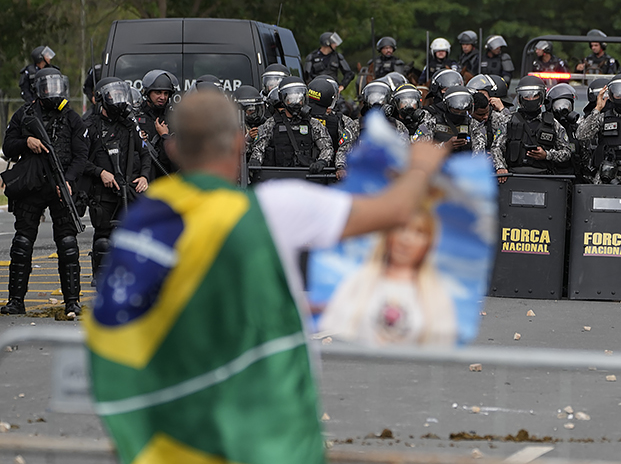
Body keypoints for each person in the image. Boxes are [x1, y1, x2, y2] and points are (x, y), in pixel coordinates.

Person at [84, 89, 450, 464]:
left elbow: (178, 305)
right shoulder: (274, 208)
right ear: (241, 141)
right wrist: (420, 164)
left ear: (175, 149)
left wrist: (286, 303)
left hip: (173, 440)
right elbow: (395, 208)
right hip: (257, 439)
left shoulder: (145, 221)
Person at [1, 68, 89, 315]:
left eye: (56, 86)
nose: (52, 91)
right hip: (31, 186)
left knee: (68, 244)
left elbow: (82, 155)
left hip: (61, 186)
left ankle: (72, 300)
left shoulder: (72, 118)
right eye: (47, 87)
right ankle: (16, 301)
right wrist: (25, 142)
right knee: (22, 242)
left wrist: (69, 180)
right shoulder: (24, 114)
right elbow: (8, 147)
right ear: (39, 89)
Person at [318, 206, 455, 346]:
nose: (406, 239)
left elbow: (441, 348)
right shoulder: (360, 280)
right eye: (401, 228)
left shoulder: (436, 295)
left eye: (418, 232)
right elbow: (332, 334)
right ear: (388, 235)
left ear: (428, 243)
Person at [83, 78, 150, 284]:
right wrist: (100, 172)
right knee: (104, 237)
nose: (118, 100)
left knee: (133, 234)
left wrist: (145, 176)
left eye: (121, 94)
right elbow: (79, 160)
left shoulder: (130, 125)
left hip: (129, 188)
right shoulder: (90, 126)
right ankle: (101, 276)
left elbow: (145, 153)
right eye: (113, 95)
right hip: (103, 191)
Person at [248, 76, 333, 180]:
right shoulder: (271, 124)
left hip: (305, 178)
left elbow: (327, 147)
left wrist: (322, 161)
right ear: (283, 98)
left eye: (299, 98)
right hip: (279, 179)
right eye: (291, 99)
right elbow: (259, 147)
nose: (296, 102)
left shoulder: (313, 124)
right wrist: (256, 160)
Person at [492, 75, 573, 182]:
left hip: (544, 179)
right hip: (514, 178)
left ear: (542, 96)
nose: (530, 99)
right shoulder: (508, 121)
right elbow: (496, 147)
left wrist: (546, 155)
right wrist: (500, 167)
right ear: (520, 97)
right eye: (526, 96)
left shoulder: (553, 124)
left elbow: (566, 152)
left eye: (534, 95)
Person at [307, 76, 360, 180]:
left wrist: (340, 167)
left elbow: (347, 148)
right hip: (302, 171)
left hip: (332, 174)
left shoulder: (344, 121)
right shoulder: (301, 119)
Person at [137, 69, 179, 180]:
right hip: (143, 180)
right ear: (148, 93)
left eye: (166, 93)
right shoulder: (135, 117)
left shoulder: (173, 118)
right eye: (158, 92)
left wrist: (165, 136)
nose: (162, 97)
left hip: (167, 179)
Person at [546, 83, 589, 182]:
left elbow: (586, 158)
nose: (563, 110)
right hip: (552, 181)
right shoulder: (545, 128)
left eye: (567, 106)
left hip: (574, 181)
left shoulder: (578, 130)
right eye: (558, 106)